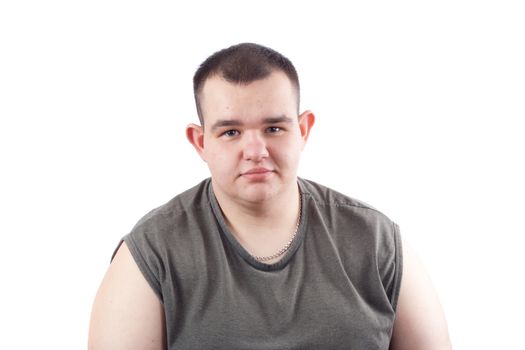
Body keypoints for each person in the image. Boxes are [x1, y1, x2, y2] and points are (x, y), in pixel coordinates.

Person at [88, 43, 452, 349]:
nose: (255, 150)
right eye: (230, 132)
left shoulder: (374, 240)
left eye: (274, 128)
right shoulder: (152, 253)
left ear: (303, 129)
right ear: (201, 142)